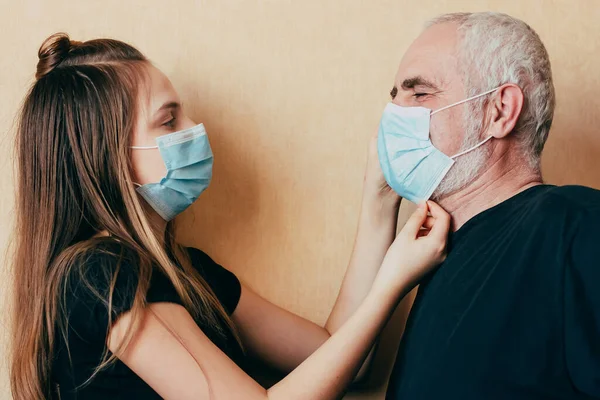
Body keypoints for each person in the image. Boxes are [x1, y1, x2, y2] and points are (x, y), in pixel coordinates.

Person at [9, 33, 449, 400]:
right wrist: (394, 280)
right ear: (107, 157)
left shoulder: (190, 271)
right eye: (169, 121)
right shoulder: (100, 274)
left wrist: (380, 200)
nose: (195, 128)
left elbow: (341, 360)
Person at [377, 12, 600, 400]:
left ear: (499, 111)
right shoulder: (437, 254)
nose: (395, 115)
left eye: (420, 93)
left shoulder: (577, 225)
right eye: (395, 97)